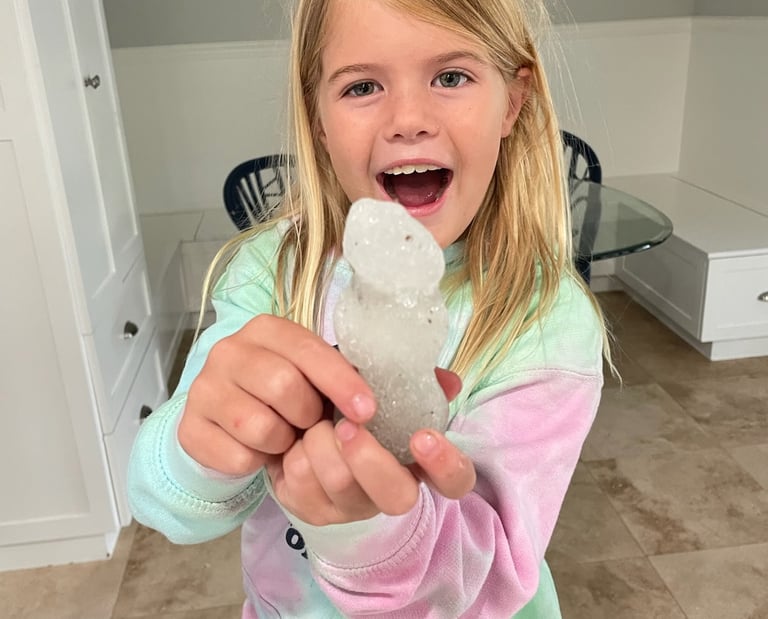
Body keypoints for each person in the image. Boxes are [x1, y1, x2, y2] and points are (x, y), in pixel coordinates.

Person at [128, 0, 609, 616]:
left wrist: (370, 532)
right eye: (362, 85)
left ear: (512, 102)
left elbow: (491, 582)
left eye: (451, 77)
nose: (408, 119)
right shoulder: (269, 276)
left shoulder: (546, 322)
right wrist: (200, 446)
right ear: (320, 120)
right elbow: (163, 503)